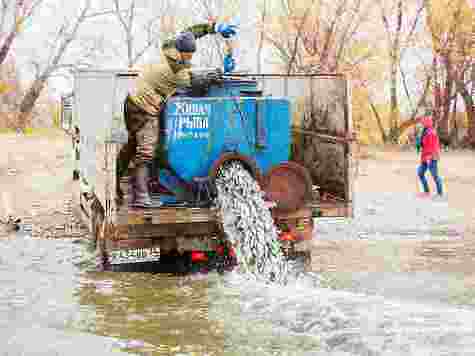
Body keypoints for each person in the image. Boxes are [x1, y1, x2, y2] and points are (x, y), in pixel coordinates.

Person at [116, 20, 238, 208]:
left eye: (191, 54)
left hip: (132, 100)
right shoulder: (174, 70)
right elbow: (196, 82)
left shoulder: (172, 44)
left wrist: (214, 28)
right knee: (146, 150)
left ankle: (116, 181)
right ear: (180, 52)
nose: (190, 58)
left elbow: (189, 31)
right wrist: (219, 72)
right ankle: (140, 198)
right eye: (188, 55)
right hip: (143, 108)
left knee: (133, 144)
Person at [416, 115, 444, 198]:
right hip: (425, 157)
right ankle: (426, 191)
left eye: (423, 122)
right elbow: (423, 144)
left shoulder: (431, 132)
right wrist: (419, 143)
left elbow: (433, 146)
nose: (422, 123)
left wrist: (429, 156)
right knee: (420, 173)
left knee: (434, 175)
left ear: (427, 122)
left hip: (431, 157)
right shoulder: (425, 131)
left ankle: (440, 193)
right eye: (422, 122)